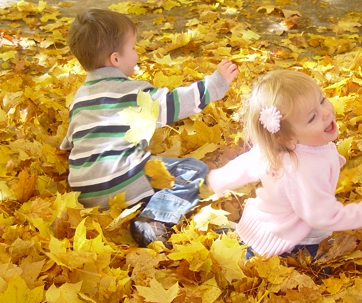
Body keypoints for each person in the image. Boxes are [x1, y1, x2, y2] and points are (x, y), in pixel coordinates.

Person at [59, 9, 238, 247]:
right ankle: (153, 219)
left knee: (139, 162)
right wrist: (214, 85)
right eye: (132, 48)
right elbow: (175, 103)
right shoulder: (135, 93)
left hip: (85, 192)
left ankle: (137, 205)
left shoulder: (79, 97)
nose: (136, 54)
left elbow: (72, 140)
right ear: (115, 59)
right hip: (123, 182)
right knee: (193, 169)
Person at [207, 70, 362, 260]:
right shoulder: (304, 170)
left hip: (268, 220)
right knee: (319, 273)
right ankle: (248, 253)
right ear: (286, 137)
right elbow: (321, 215)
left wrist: (219, 179)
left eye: (322, 100)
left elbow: (247, 162)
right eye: (312, 117)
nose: (326, 112)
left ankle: (241, 243)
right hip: (295, 239)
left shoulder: (278, 146)